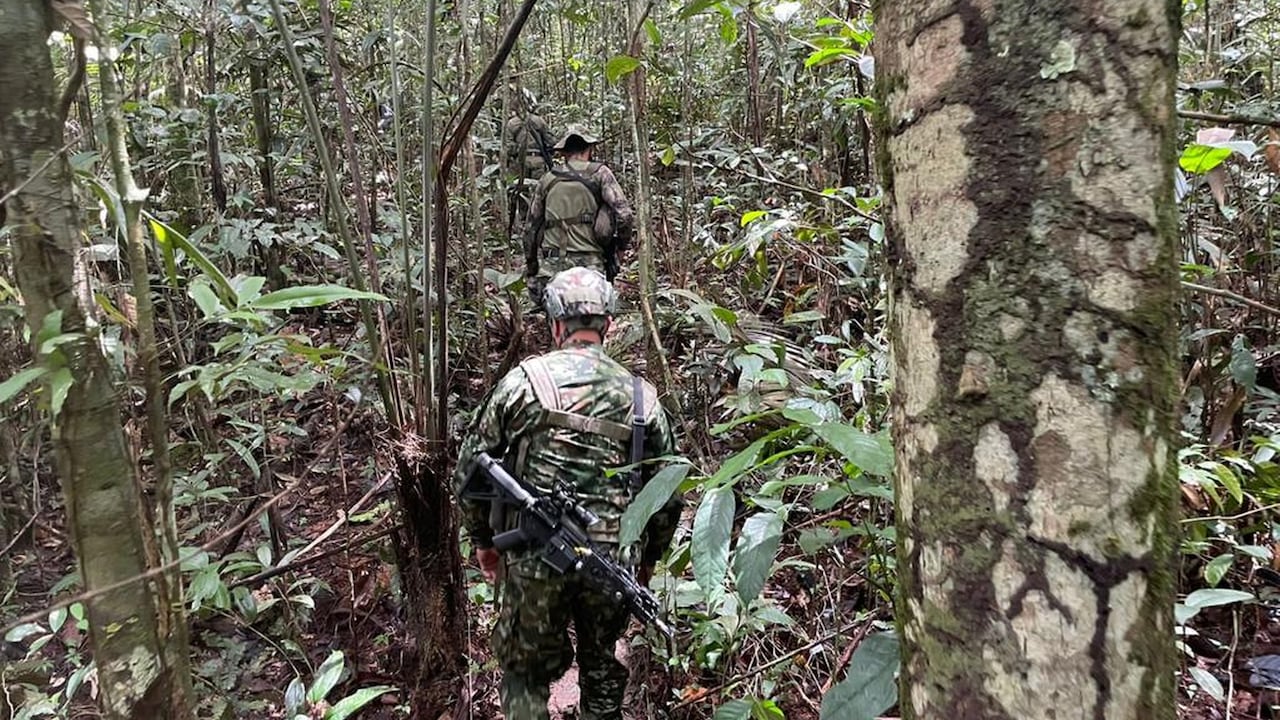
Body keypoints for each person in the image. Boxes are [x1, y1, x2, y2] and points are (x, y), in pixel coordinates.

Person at [453, 267, 681, 720]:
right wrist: (650, 557)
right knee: (602, 670)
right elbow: (668, 492)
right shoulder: (642, 399)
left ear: (555, 324)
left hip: (536, 560)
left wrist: (483, 543)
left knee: (525, 673)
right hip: (613, 560)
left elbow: (469, 470)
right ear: (608, 326)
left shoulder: (523, 383)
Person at [523, 125, 633, 303]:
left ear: (564, 153)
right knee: (600, 311)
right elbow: (625, 214)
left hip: (552, 265)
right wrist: (619, 250)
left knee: (550, 312)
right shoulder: (600, 174)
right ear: (589, 149)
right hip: (591, 264)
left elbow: (530, 229)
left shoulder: (547, 179)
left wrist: (532, 267)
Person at [505, 90, 557, 180]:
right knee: (539, 189)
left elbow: (508, 147)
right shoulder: (539, 121)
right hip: (538, 161)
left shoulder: (511, 123)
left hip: (520, 162)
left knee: (517, 190)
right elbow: (551, 142)